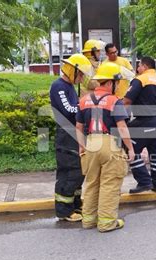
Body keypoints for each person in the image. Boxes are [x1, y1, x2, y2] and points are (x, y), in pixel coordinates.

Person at [76, 62, 135, 232]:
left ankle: (88, 220)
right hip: (110, 143)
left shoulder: (84, 100)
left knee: (91, 183)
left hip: (90, 144)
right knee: (110, 183)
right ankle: (107, 222)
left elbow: (79, 127)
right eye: (117, 83)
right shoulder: (114, 101)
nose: (118, 86)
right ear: (110, 83)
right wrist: (130, 148)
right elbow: (122, 127)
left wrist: (81, 146)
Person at [49, 53, 92, 222]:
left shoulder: (69, 87)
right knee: (69, 172)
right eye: (80, 73)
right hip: (66, 135)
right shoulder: (58, 86)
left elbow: (75, 108)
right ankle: (63, 211)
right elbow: (68, 110)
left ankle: (75, 204)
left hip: (75, 134)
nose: (81, 78)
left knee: (79, 170)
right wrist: (84, 106)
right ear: (71, 70)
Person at [124, 56, 156, 194]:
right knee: (155, 155)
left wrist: (118, 117)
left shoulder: (140, 80)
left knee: (130, 148)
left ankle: (144, 181)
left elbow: (126, 101)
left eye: (138, 66)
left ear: (144, 66)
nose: (137, 69)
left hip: (143, 121)